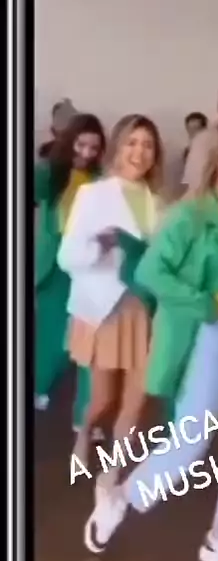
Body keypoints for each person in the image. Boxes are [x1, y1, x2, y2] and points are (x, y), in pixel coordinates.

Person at [82, 118, 218, 561]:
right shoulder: (188, 215)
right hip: (215, 333)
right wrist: (203, 304)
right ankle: (122, 499)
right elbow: (151, 272)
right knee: (192, 440)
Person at [58, 114, 166, 464]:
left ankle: (113, 473)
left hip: (146, 310)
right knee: (103, 399)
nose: (139, 152)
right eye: (132, 142)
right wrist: (100, 247)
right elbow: (67, 256)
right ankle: (85, 432)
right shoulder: (93, 194)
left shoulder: (158, 203)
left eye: (147, 145)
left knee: (136, 400)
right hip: (106, 308)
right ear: (118, 147)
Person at [35, 113, 106, 433]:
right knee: (51, 336)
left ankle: (85, 416)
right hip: (56, 266)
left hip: (90, 267)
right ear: (70, 142)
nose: (87, 153)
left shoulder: (101, 178)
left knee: (84, 341)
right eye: (81, 145)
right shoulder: (50, 172)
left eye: (94, 147)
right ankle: (38, 387)